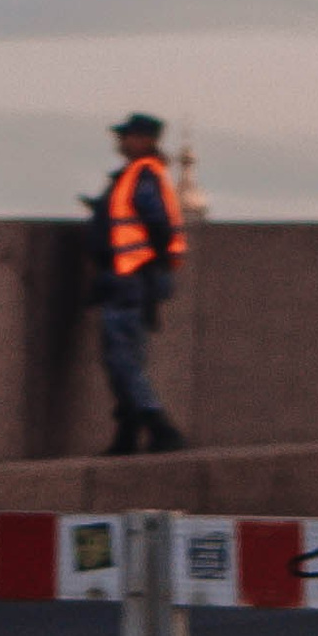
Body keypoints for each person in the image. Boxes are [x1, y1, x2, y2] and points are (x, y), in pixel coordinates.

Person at [85, 112, 190, 455]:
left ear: (144, 139)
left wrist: (145, 265)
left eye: (127, 136)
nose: (121, 141)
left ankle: (159, 426)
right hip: (132, 277)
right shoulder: (141, 174)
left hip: (129, 276)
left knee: (122, 359)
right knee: (128, 356)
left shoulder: (142, 174)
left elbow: (154, 222)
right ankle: (127, 434)